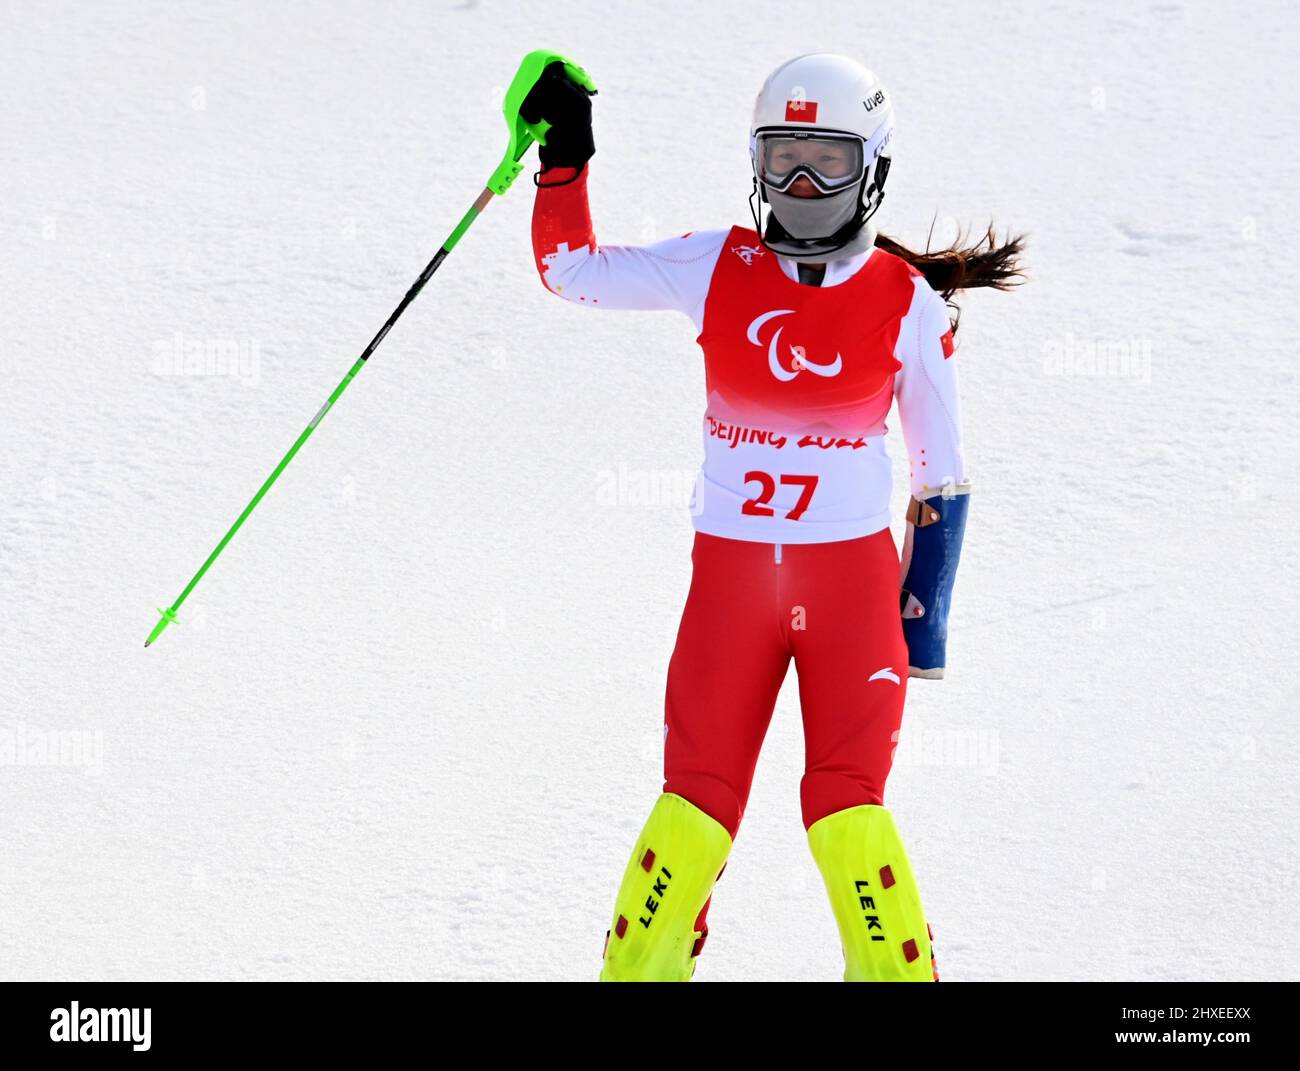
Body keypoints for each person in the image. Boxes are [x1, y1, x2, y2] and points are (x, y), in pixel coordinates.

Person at [521, 53, 1024, 981]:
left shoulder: (905, 303)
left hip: (851, 592)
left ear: (870, 168)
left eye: (825, 160)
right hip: (733, 588)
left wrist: (924, 619)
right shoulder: (719, 264)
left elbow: (941, 476)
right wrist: (564, 162)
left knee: (847, 809)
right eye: (781, 154)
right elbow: (571, 272)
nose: (799, 182)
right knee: (696, 804)